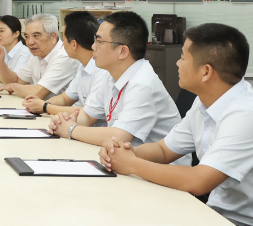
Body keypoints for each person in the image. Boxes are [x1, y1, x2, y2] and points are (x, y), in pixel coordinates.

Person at [100, 23, 253, 226]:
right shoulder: (204, 103)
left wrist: (131, 164)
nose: (177, 62)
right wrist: (123, 152)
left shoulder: (246, 114)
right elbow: (164, 150)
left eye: (183, 57)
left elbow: (197, 181)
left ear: (205, 71)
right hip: (228, 219)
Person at [47, 12, 184, 160]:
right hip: (125, 161)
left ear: (122, 51)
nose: (93, 46)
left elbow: (119, 136)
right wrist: (62, 121)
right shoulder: (110, 75)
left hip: (159, 172)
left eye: (99, 41)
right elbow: (87, 116)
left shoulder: (142, 84)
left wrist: (71, 129)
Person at [22, 11, 101, 116]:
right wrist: (41, 104)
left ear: (73, 44)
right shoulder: (83, 67)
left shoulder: (102, 70)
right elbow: (65, 98)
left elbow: (88, 113)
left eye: (64, 40)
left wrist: (45, 107)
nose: (62, 45)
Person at [0, 13, 76, 98]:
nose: (30, 42)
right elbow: (17, 80)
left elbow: (38, 92)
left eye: (36, 36)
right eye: (27, 36)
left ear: (53, 37)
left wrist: (12, 86)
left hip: (65, 111)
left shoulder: (64, 56)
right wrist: (0, 62)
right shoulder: (37, 55)